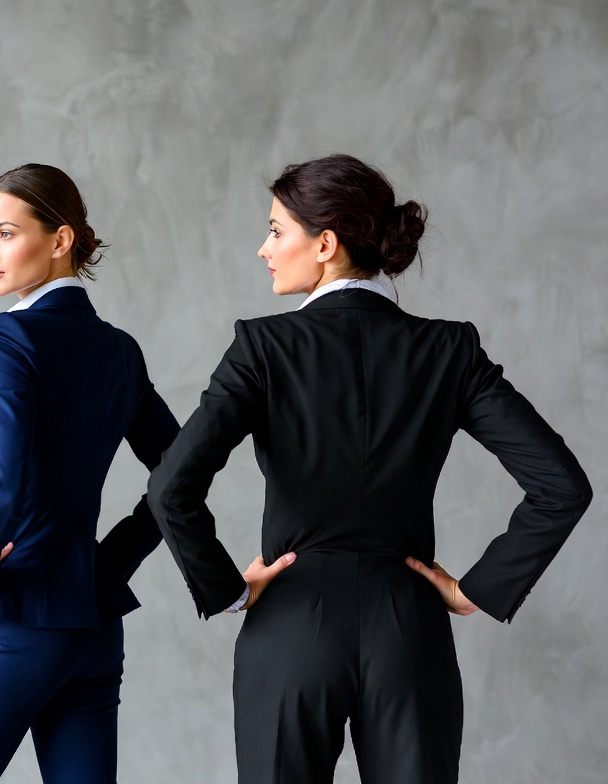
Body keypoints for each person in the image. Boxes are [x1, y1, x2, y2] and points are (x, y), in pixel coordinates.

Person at [147, 153, 592, 784]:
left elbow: (170, 487)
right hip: (408, 629)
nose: (263, 249)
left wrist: (226, 589)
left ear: (324, 244)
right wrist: (478, 589)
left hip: (292, 629)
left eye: (276, 231)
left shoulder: (263, 348)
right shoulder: (448, 350)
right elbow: (561, 486)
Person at [0, 163, 180, 784]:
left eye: (5, 233)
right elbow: (180, 473)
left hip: (14, 618)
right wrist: (108, 565)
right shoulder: (118, 348)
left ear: (61, 240)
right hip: (91, 626)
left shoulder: (10, 337)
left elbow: (0, 487)